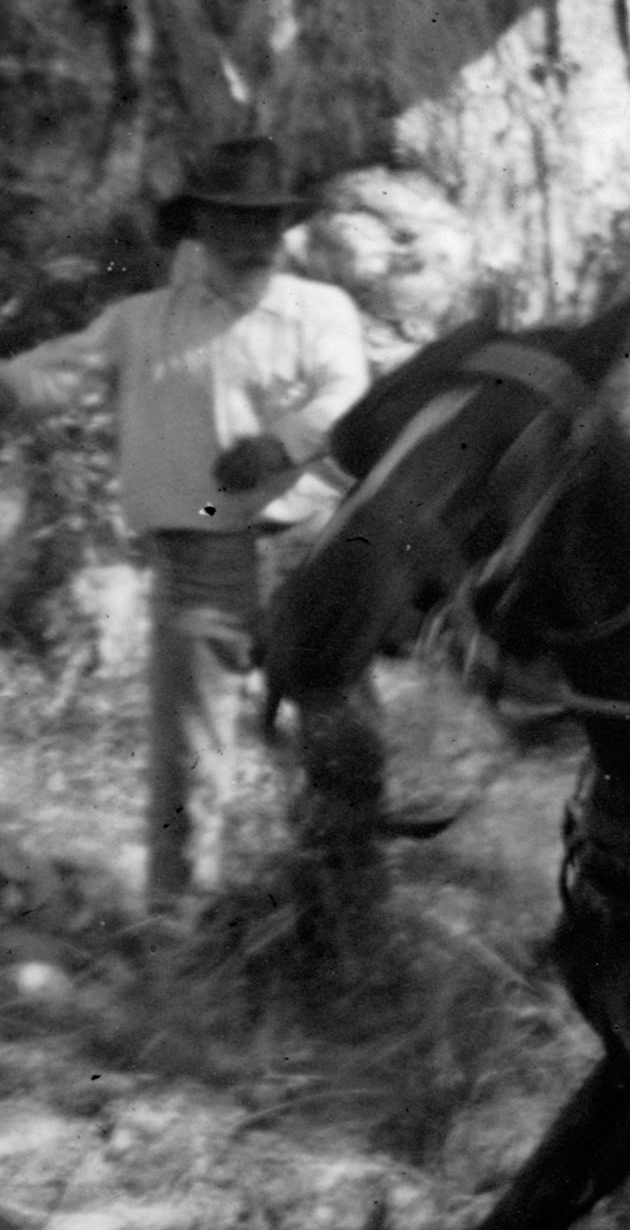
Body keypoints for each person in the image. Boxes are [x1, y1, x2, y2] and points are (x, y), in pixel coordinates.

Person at [0, 134, 375, 905]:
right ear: (199, 224)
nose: (255, 236)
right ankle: (183, 925)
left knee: (341, 737)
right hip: (198, 552)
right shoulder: (140, 323)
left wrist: (282, 442)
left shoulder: (319, 310)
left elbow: (346, 399)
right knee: (192, 755)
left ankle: (341, 911)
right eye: (235, 218)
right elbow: (52, 374)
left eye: (267, 218)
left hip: (310, 549)